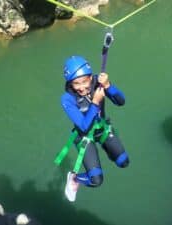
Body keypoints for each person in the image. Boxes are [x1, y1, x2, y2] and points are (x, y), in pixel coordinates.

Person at [60, 55, 130, 202]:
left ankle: (108, 150)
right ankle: (74, 178)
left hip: (102, 129)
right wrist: (95, 102)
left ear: (91, 77)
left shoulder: (99, 83)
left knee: (123, 162)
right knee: (96, 180)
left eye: (85, 81)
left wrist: (108, 86)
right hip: (84, 137)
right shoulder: (67, 99)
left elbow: (121, 102)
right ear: (70, 84)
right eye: (76, 83)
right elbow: (84, 127)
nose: (81, 87)